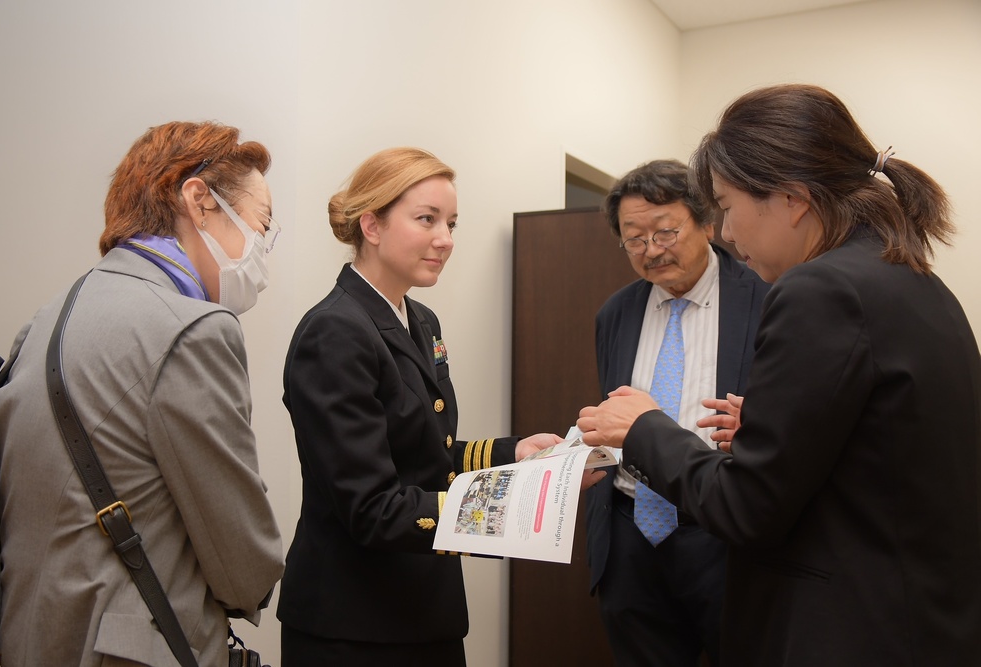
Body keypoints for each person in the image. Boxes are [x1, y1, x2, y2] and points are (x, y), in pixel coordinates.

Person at [577, 83, 981, 666]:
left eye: (728, 206)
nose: (731, 234)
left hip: (849, 627)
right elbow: (884, 451)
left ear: (791, 199)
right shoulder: (914, 279)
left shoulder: (819, 290)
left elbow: (748, 507)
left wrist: (644, 427)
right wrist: (773, 431)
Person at [0, 121, 285, 665]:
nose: (263, 249)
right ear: (199, 201)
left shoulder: (47, 320)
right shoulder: (191, 328)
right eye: (261, 225)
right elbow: (246, 565)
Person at [277, 147, 561, 667]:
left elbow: (430, 454)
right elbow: (372, 509)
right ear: (372, 225)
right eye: (426, 219)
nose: (445, 240)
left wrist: (517, 455)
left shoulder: (420, 320)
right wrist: (508, 510)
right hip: (355, 625)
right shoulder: (336, 332)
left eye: (451, 223)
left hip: (425, 610)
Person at [584, 160, 769, 666]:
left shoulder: (768, 300)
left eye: (665, 231)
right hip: (629, 536)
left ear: (707, 223)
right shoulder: (615, 313)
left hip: (725, 537)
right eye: (634, 239)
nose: (652, 250)